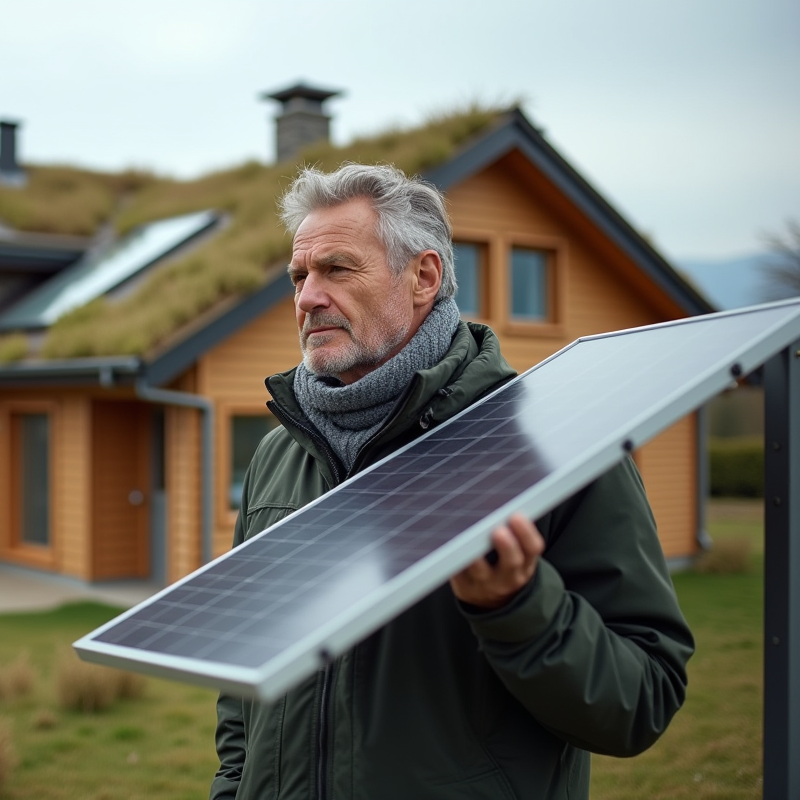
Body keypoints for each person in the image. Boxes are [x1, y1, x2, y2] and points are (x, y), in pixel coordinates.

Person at [210, 164, 694, 799]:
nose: (306, 298)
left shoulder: (556, 443)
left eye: (338, 269)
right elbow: (243, 679)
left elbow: (642, 701)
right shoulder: (278, 452)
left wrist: (518, 609)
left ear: (424, 277)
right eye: (300, 276)